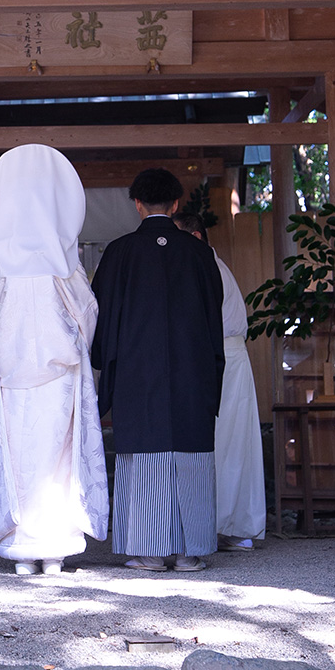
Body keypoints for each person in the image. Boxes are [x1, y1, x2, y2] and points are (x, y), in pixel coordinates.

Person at [0, 144, 109, 575]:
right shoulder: (64, 264)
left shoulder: (1, 264)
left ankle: (22, 547)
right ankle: (55, 547)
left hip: (8, 374)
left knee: (16, 455)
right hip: (60, 376)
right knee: (57, 458)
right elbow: (87, 316)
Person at [91, 168, 224, 571]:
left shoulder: (119, 252)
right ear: (176, 203)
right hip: (191, 370)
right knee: (190, 453)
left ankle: (148, 551)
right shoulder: (199, 253)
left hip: (136, 371)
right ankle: (189, 552)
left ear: (137, 204)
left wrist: (105, 360)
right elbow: (213, 314)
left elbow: (101, 315)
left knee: (143, 453)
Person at [173, 210, 266, 551]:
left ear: (195, 237)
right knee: (225, 442)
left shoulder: (206, 266)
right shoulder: (207, 265)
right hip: (222, 355)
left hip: (223, 357)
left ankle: (225, 525)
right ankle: (224, 525)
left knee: (226, 442)